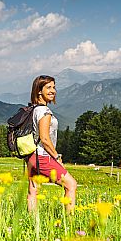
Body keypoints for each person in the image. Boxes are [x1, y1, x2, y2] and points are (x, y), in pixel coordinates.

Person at [26, 75, 77, 212]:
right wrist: (57, 157)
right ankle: (70, 221)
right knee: (71, 185)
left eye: (54, 87)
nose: (53, 91)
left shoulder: (34, 109)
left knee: (33, 190)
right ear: (39, 91)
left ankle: (30, 222)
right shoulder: (44, 111)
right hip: (43, 156)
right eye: (48, 87)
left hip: (32, 156)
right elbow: (45, 139)